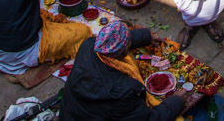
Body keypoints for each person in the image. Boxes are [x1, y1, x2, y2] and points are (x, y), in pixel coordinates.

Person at [59, 19, 193, 120]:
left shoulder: (88, 46)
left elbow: (118, 40)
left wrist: (146, 37)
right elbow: (150, 119)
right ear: (123, 51)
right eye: (128, 43)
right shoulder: (122, 91)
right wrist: (176, 102)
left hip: (70, 113)